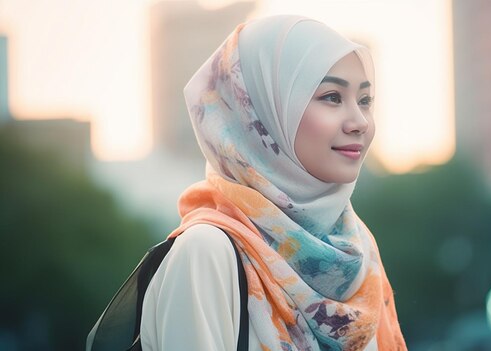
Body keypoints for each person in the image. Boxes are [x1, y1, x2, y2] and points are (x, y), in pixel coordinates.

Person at [139, 15, 407, 351]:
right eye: (332, 97)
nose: (359, 122)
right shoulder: (207, 254)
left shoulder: (357, 251)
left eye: (365, 101)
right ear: (263, 112)